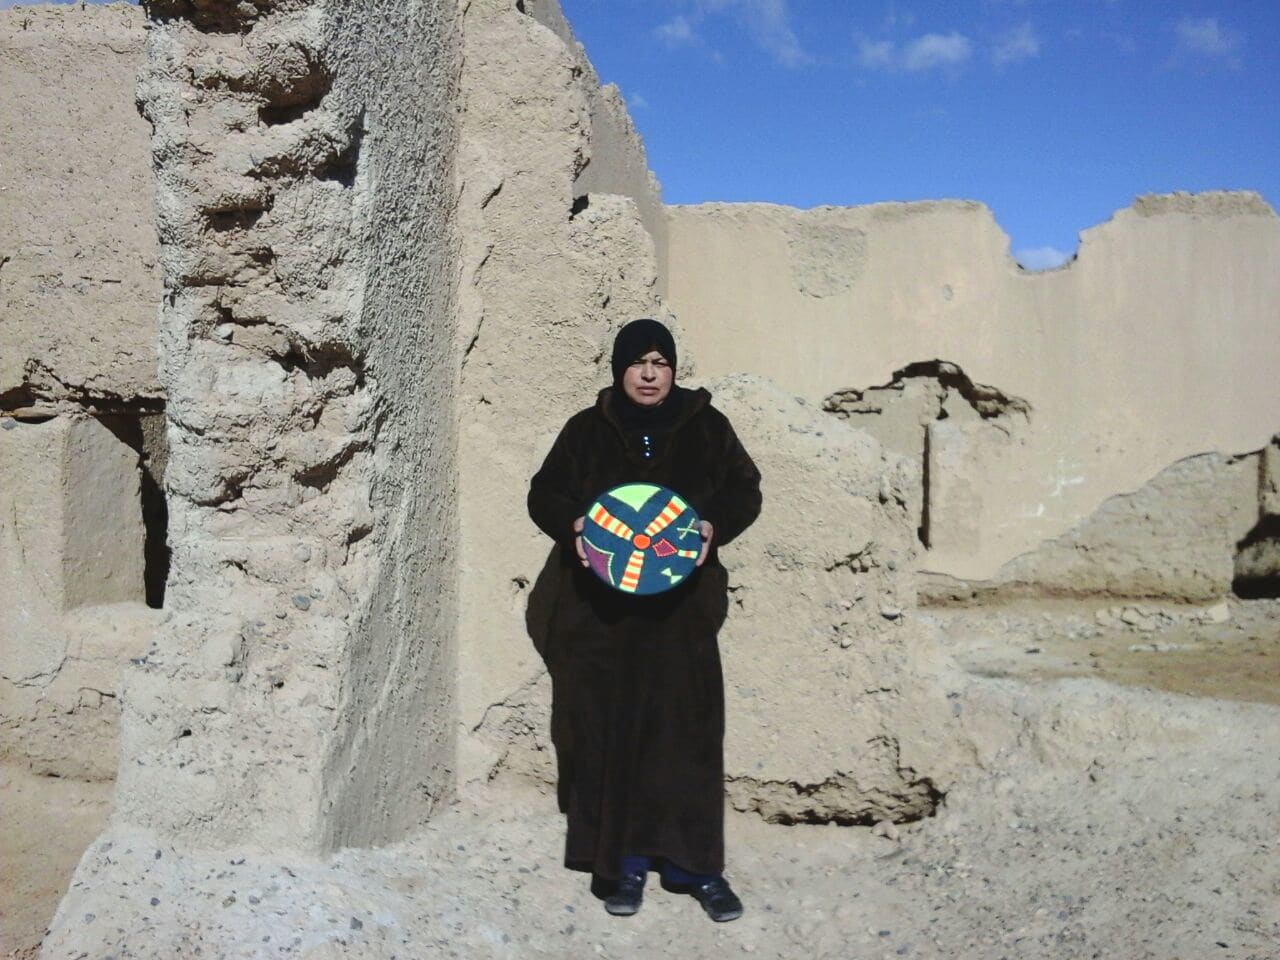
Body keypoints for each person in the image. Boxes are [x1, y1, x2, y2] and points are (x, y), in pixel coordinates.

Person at [527, 318, 762, 921]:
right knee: (611, 731)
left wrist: (715, 524)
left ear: (675, 369)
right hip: (601, 616)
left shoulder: (708, 427)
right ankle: (622, 865)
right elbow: (544, 492)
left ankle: (695, 867)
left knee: (687, 733)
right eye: (639, 362)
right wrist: (575, 523)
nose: (651, 374)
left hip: (683, 615)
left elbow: (745, 488)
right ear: (620, 368)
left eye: (661, 362)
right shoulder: (586, 430)